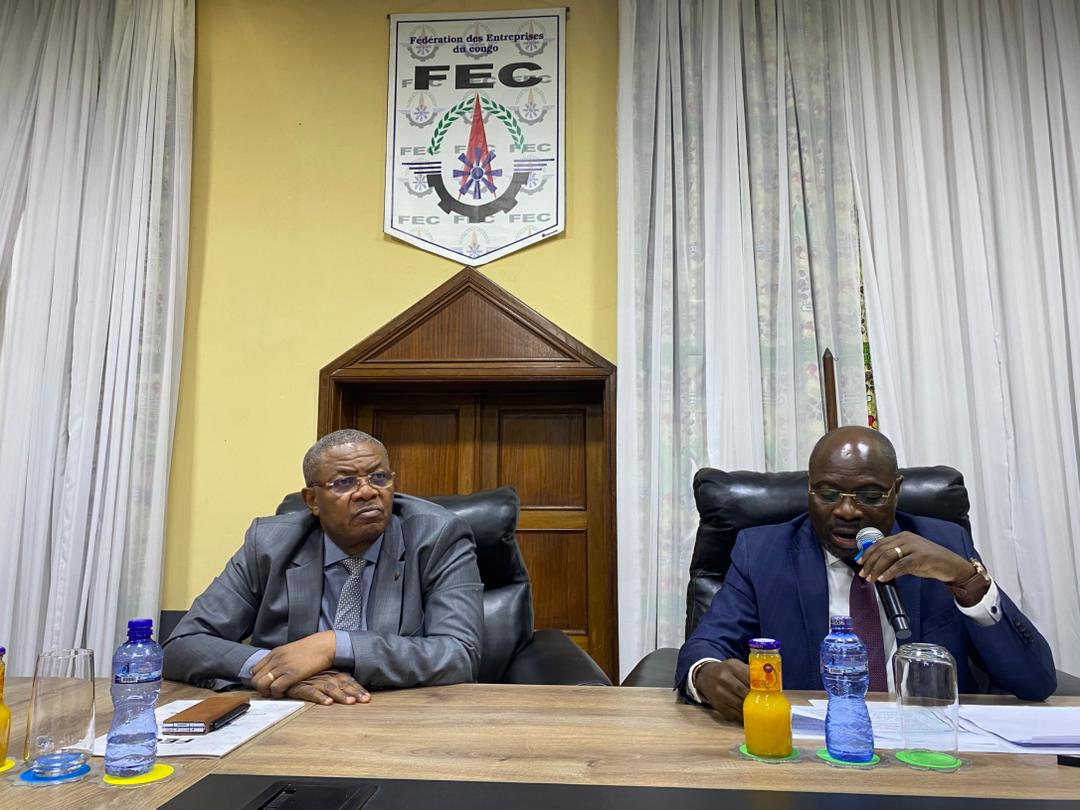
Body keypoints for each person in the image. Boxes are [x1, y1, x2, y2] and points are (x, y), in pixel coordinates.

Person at [677, 426, 1057, 720]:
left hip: (928, 744)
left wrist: (966, 580)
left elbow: (1036, 680)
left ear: (896, 491)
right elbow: (706, 646)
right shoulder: (763, 552)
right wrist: (706, 675)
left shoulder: (945, 546)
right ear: (809, 490)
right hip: (810, 748)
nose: (847, 511)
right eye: (828, 494)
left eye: (870, 496)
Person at [163, 429, 484, 705]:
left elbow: (459, 654)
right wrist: (281, 670)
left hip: (401, 714)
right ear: (312, 501)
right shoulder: (270, 544)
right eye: (345, 482)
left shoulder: (436, 536)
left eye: (379, 477)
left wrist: (333, 645)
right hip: (294, 716)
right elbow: (183, 644)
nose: (368, 492)